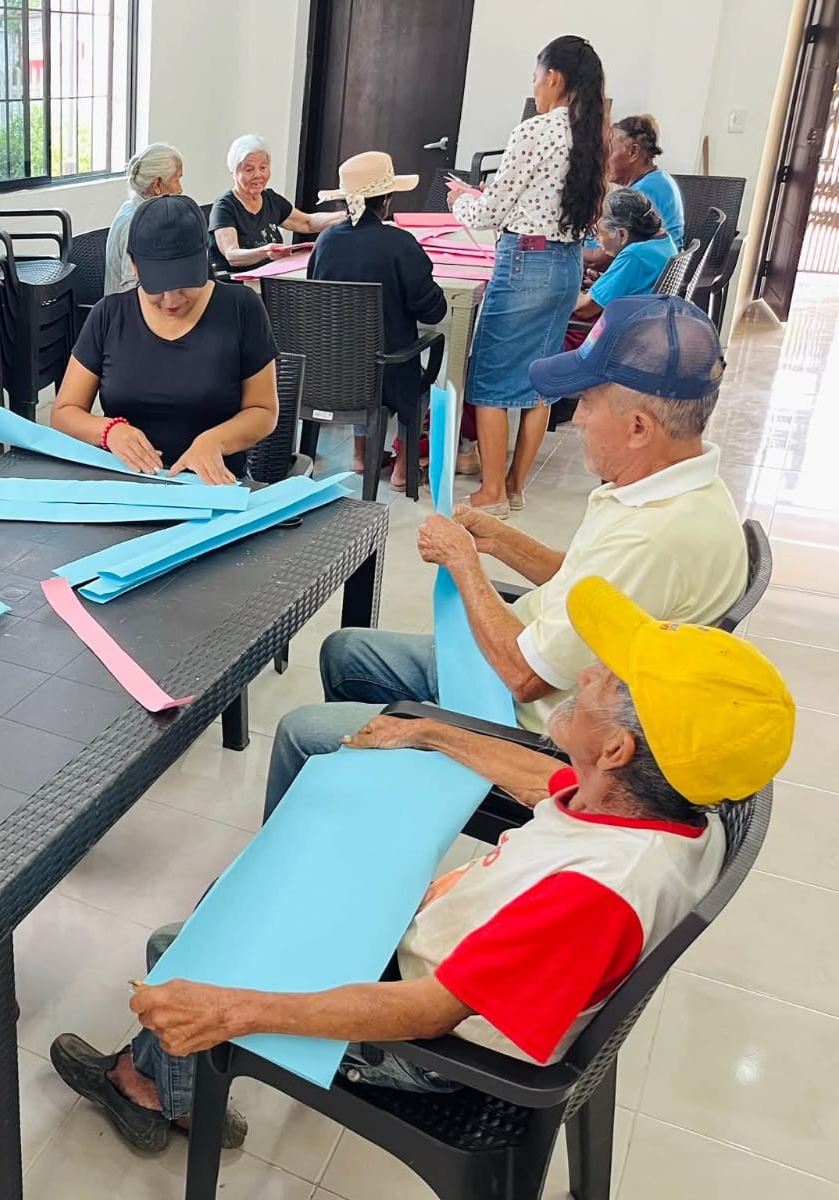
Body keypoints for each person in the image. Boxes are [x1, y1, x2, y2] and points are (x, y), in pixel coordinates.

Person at [52, 576, 792, 1149]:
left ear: (618, 749)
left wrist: (231, 1009)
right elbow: (546, 780)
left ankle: (157, 1095)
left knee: (183, 949)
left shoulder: (596, 893)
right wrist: (432, 733)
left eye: (610, 677)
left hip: (429, 1048)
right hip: (439, 950)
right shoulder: (655, 805)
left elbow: (429, 1013)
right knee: (245, 891)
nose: (589, 670)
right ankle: (174, 1082)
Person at [267, 295, 748, 818]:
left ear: (639, 428)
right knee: (345, 651)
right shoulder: (673, 487)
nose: (578, 419)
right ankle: (359, 803)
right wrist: (501, 540)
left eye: (587, 403)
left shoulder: (655, 539)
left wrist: (464, 563)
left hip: (528, 726)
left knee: (301, 733)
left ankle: (324, 832)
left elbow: (525, 677)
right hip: (522, 670)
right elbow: (586, 586)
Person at [448, 35, 608, 517]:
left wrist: (461, 202)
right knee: (539, 382)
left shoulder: (535, 131)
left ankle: (491, 493)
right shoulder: (591, 135)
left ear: (553, 77)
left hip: (525, 264)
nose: (534, 86)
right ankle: (515, 487)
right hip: (565, 265)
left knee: (490, 381)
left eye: (536, 77)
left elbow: (490, 213)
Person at [52, 195, 279, 485]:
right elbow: (64, 413)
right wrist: (109, 431)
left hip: (212, 484)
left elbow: (263, 411)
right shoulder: (108, 315)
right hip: (128, 483)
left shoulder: (242, 308)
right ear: (134, 266)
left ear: (204, 258)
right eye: (157, 287)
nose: (171, 300)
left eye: (184, 284)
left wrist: (215, 441)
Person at [311, 150, 449, 483]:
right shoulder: (400, 244)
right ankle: (403, 467)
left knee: (359, 359)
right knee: (415, 381)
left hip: (332, 372)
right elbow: (433, 309)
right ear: (386, 200)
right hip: (388, 372)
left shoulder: (325, 242)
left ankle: (360, 455)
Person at [209, 133, 345, 274]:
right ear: (234, 173)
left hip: (270, 277)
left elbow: (307, 223)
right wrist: (265, 251)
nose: (258, 175)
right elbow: (232, 256)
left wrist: (345, 217)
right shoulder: (224, 207)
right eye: (249, 170)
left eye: (263, 168)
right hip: (239, 282)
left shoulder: (270, 199)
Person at [568, 188, 677, 340]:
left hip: (620, 338)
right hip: (647, 327)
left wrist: (566, 292)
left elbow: (584, 310)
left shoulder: (634, 255)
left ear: (622, 234)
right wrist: (602, 284)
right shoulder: (663, 239)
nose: (596, 239)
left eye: (598, 232)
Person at [587, 114, 686, 277]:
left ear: (634, 152)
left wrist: (554, 246)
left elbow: (601, 259)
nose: (603, 160)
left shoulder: (641, 195)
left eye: (609, 151)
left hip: (642, 279)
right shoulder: (658, 179)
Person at [105, 143, 185, 295]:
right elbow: (130, 290)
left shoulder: (136, 209)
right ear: (157, 185)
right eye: (176, 180)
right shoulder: (135, 223)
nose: (180, 189)